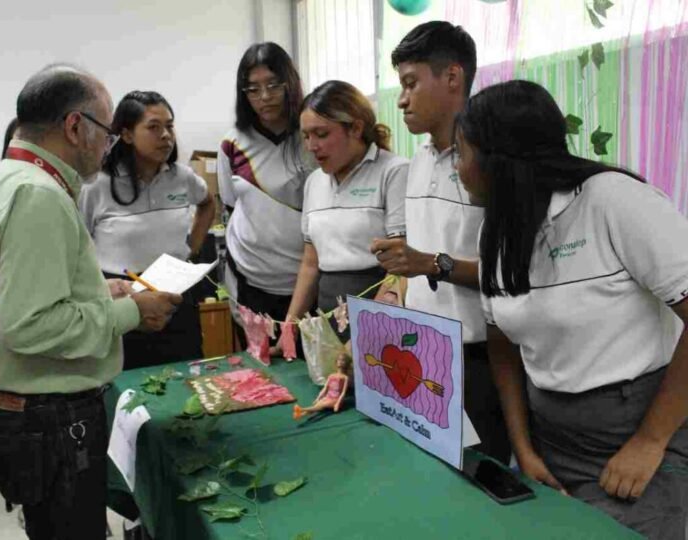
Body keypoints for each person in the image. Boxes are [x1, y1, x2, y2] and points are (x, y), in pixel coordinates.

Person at [457, 79, 688, 539]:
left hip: (636, 431)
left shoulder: (613, 201)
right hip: (551, 436)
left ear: (498, 159)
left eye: (460, 154)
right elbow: (502, 340)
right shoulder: (497, 230)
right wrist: (523, 447)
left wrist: (649, 441)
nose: (456, 170)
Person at [0, 65, 181, 540]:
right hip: (52, 417)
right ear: (74, 126)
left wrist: (98, 292)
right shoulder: (36, 195)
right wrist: (131, 312)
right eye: (106, 132)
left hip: (33, 413)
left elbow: (19, 289)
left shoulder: (11, 178)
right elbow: (27, 325)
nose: (109, 145)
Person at [370, 21, 510, 463]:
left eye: (411, 83)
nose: (402, 99)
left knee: (482, 478)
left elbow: (513, 275)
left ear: (452, 77)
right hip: (423, 352)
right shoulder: (417, 163)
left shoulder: (493, 164)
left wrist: (432, 264)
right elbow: (414, 261)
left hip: (482, 359)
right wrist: (394, 287)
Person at [79, 90, 215, 369]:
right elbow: (78, 243)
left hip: (176, 294)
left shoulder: (181, 177)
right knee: (127, 385)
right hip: (123, 296)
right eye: (153, 127)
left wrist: (192, 248)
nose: (165, 135)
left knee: (185, 376)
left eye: (169, 126)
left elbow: (207, 204)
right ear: (127, 134)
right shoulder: (97, 184)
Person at [284, 80, 408, 340]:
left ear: (356, 128)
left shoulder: (394, 171)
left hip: (381, 307)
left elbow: (400, 266)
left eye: (321, 134)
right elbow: (310, 263)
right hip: (329, 312)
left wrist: (370, 333)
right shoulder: (314, 182)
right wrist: (290, 326)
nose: (311, 146)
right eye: (306, 136)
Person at [218, 42, 313, 345]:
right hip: (251, 279)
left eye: (273, 85)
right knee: (259, 374)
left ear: (290, 84)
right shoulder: (232, 144)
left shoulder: (312, 134)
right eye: (253, 89)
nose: (264, 97)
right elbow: (232, 205)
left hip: (306, 279)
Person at [293, 353, 350, 418]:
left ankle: (301, 409)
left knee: (322, 405)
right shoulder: (331, 376)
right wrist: (318, 398)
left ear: (346, 363)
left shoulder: (345, 377)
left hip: (336, 399)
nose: (340, 362)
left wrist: (338, 403)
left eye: (343, 360)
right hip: (328, 397)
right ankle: (301, 414)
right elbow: (325, 389)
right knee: (318, 404)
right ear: (336, 361)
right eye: (339, 360)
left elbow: (343, 393)